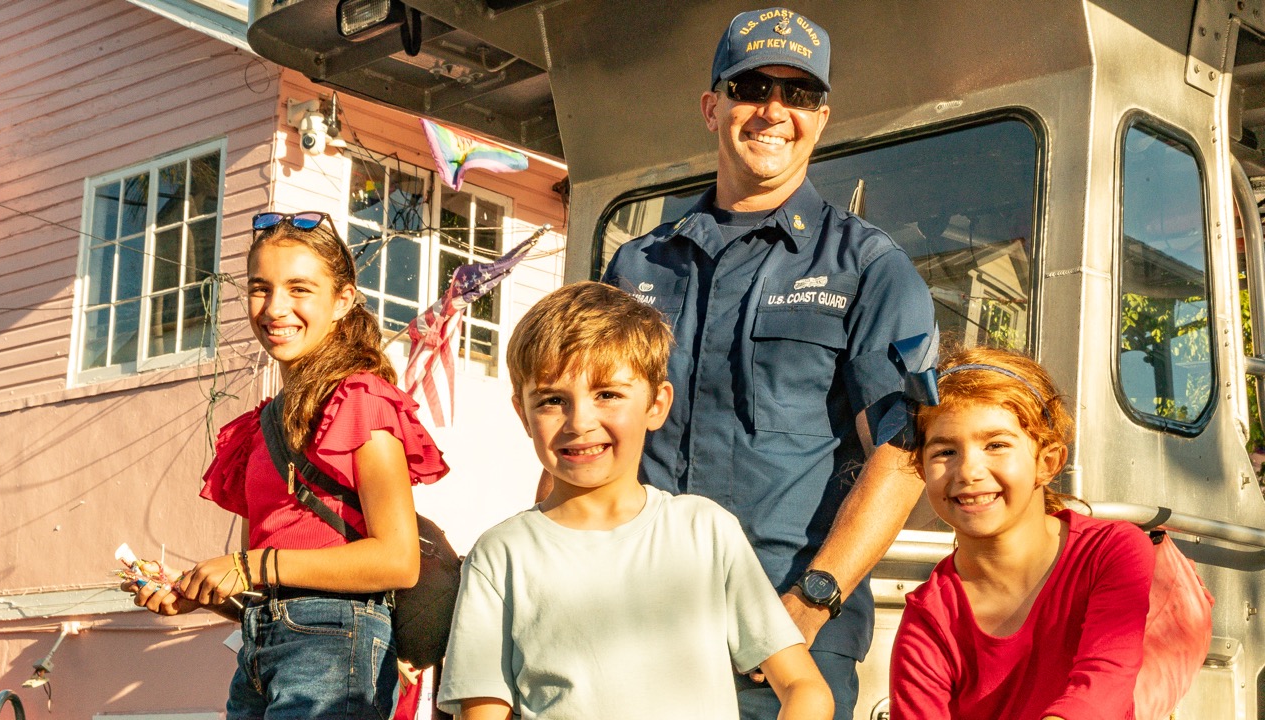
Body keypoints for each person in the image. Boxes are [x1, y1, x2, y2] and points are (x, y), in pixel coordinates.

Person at [598, 7, 937, 718]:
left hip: (785, 636)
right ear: (711, 105)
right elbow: (589, 434)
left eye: (800, 94)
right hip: (638, 618)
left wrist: (808, 606)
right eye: (752, 87)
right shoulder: (637, 264)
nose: (774, 111)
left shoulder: (871, 268)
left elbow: (903, 456)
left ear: (821, 117)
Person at [438, 281, 834, 720]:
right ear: (522, 415)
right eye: (552, 400)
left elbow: (805, 688)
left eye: (607, 394)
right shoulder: (500, 555)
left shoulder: (705, 531)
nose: (580, 422)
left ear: (656, 404)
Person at [120, 211, 448, 720]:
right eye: (259, 288)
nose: (275, 308)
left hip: (336, 646)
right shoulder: (260, 427)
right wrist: (199, 593)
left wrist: (247, 565)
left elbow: (397, 559)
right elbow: (272, 589)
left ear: (342, 301)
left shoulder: (362, 400)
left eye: (299, 289)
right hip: (259, 648)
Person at [889, 347, 1154, 719]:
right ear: (921, 470)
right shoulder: (928, 621)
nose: (968, 471)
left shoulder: (1111, 551)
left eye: (996, 445)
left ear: (1047, 462)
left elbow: (1103, 683)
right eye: (945, 451)